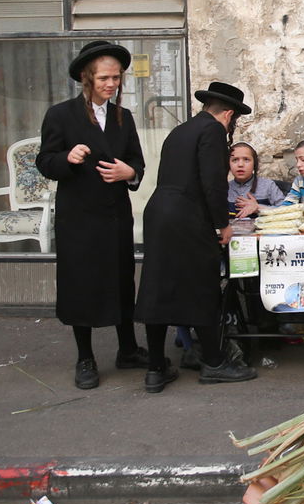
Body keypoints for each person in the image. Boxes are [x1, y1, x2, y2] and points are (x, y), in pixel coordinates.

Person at [36, 40, 148, 390]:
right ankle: (85, 358)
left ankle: (127, 349)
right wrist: (67, 158)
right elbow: (45, 161)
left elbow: (137, 161)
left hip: (115, 216)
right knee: (81, 285)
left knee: (121, 281)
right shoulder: (61, 115)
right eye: (104, 78)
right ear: (87, 78)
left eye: (116, 77)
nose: (111, 84)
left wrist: (129, 173)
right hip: (79, 218)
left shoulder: (123, 117)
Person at [134, 82, 258, 392]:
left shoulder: (181, 130)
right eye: (234, 120)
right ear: (228, 115)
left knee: (158, 286)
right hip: (187, 215)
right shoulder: (213, 131)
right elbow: (213, 183)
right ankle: (214, 363)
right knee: (203, 286)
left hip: (159, 212)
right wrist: (222, 224)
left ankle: (156, 369)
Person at [228, 141, 285, 218]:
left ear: (254, 164)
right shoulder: (223, 189)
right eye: (235, 160)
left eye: (246, 159)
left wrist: (258, 208)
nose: (240, 164)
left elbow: (286, 211)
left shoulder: (268, 186)